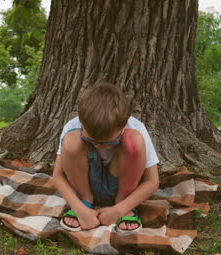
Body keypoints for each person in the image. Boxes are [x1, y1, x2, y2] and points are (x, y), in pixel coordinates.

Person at [53, 82, 159, 232]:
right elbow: (57, 175)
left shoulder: (135, 127)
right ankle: (86, 202)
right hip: (85, 185)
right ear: (82, 122)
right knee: (71, 140)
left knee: (134, 140)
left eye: (109, 142)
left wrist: (120, 209)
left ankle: (124, 205)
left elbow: (152, 181)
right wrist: (78, 208)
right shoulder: (73, 126)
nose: (98, 146)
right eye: (91, 140)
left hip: (123, 190)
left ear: (122, 126)